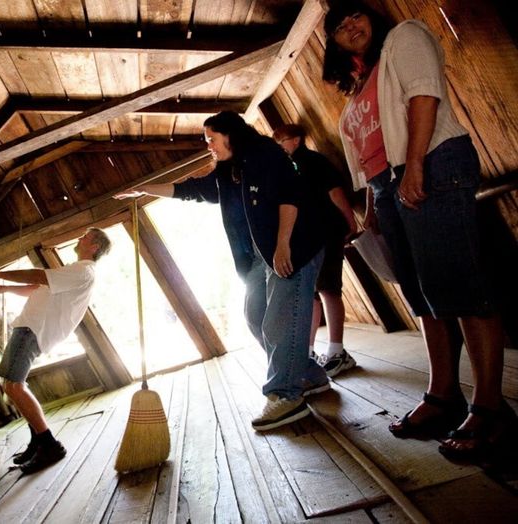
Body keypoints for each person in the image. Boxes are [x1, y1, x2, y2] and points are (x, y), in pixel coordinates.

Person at [322, 0, 515, 460]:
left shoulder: (403, 38)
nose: (350, 24)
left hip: (432, 162)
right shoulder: (360, 85)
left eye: (355, 14)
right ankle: (442, 396)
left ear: (372, 19)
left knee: (459, 285)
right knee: (422, 295)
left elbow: (424, 96)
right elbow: (369, 153)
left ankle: (491, 409)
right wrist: (372, 206)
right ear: (332, 42)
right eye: (338, 25)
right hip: (387, 185)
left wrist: (415, 167)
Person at [117, 111, 329, 432]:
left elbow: (291, 196)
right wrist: (145, 189)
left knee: (279, 322)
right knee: (255, 316)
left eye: (211, 139)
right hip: (261, 257)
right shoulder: (229, 172)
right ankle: (308, 375)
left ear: (230, 134)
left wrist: (284, 244)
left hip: (294, 245)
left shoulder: (265, 154)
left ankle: (286, 395)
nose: (209, 147)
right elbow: (191, 190)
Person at [0, 228, 111, 473]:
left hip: (33, 329)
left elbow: (38, 277)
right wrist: (4, 288)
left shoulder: (83, 270)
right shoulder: (74, 271)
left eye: (86, 237)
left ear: (95, 247)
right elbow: (38, 288)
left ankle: (49, 444)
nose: (80, 238)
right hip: (30, 328)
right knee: (13, 385)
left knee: (14, 385)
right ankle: (38, 440)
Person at [273, 124, 358, 377]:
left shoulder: (314, 161)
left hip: (327, 231)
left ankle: (337, 351)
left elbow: (335, 192)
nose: (279, 146)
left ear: (297, 140)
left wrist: (350, 221)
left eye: (282, 140)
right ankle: (308, 352)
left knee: (329, 288)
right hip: (308, 237)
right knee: (311, 292)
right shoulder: (288, 169)